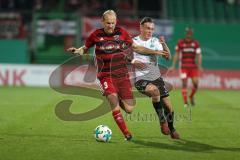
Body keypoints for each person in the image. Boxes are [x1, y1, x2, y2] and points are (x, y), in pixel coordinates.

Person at [67, 10, 168, 140]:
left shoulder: (122, 33)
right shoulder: (95, 35)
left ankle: (116, 96)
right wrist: (77, 51)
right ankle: (126, 133)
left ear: (116, 22)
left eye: (113, 23)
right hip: (105, 75)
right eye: (108, 23)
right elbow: (84, 48)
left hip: (122, 75)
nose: (110, 26)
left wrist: (156, 51)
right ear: (102, 22)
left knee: (130, 109)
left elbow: (136, 48)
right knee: (112, 98)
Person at [132, 17, 180, 139]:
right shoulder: (134, 41)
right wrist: (133, 60)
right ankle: (161, 120)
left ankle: (172, 129)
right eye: (147, 28)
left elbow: (167, 57)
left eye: (152, 29)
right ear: (141, 28)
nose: (150, 31)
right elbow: (133, 52)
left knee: (168, 106)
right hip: (141, 78)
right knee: (155, 92)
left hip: (156, 77)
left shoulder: (155, 41)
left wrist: (164, 44)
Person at [170, 27, 202, 107]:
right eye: (188, 32)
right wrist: (173, 66)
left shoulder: (195, 43)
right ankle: (185, 102)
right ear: (186, 33)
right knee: (184, 83)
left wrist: (199, 65)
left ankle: (191, 96)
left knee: (196, 84)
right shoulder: (180, 42)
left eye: (190, 32)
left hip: (193, 67)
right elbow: (176, 54)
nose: (189, 34)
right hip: (183, 67)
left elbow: (198, 55)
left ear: (192, 33)